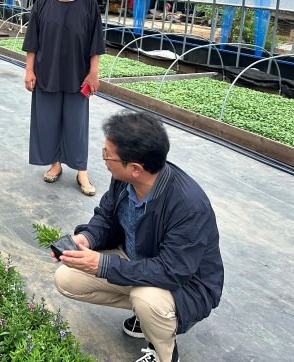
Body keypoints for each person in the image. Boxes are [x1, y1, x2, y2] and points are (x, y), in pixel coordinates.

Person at [52, 110, 224, 362]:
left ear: (135, 168)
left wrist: (102, 264)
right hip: (135, 259)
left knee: (146, 299)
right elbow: (106, 216)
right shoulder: (124, 181)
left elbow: (172, 270)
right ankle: (146, 317)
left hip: (186, 285)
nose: (103, 159)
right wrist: (87, 238)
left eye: (107, 155)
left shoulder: (188, 206)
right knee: (66, 278)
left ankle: (163, 351)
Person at [22, 0, 105, 196]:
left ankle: (81, 170)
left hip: (78, 76)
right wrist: (29, 71)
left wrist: (93, 73)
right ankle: (55, 164)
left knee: (76, 123)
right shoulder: (42, 3)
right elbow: (32, 41)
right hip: (46, 72)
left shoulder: (89, 4)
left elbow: (95, 42)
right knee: (47, 121)